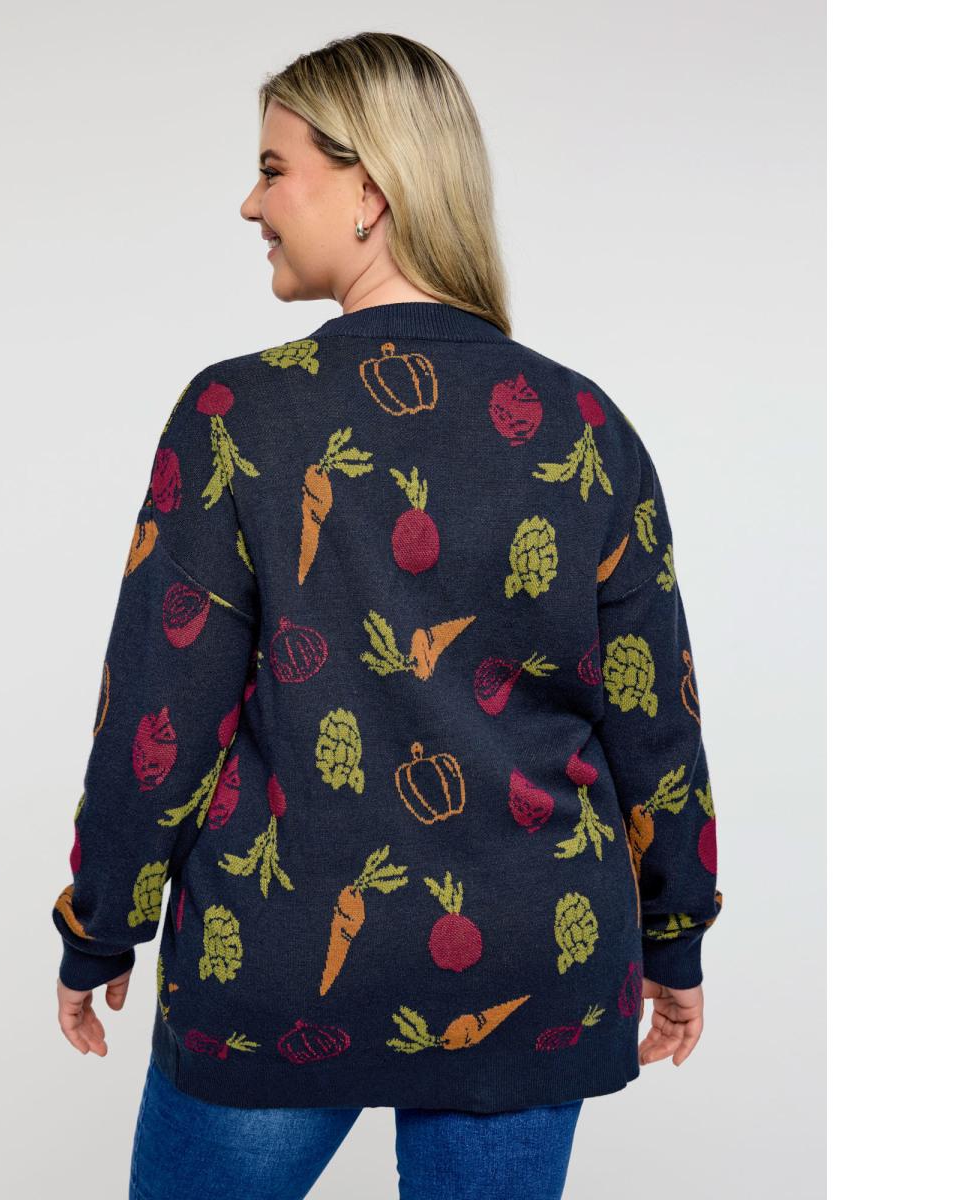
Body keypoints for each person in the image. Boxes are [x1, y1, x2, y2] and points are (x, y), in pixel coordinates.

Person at [50, 30, 724, 1200]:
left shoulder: (237, 416)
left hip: (277, 963)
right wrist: (677, 934)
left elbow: (162, 712)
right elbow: (653, 718)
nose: (250, 203)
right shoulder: (585, 426)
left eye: (274, 169)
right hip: (529, 961)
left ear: (369, 190)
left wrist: (102, 921)